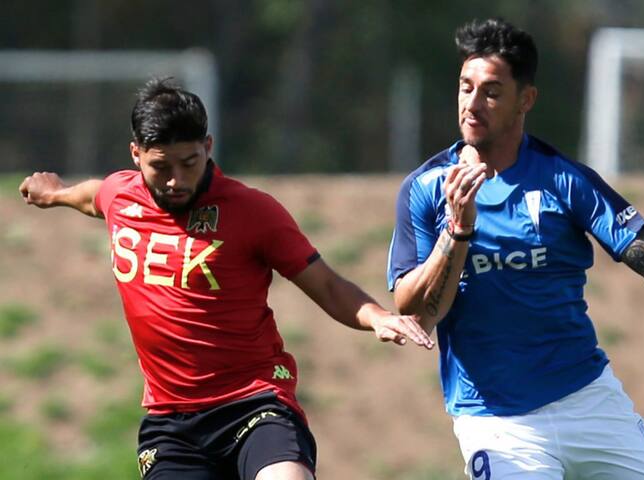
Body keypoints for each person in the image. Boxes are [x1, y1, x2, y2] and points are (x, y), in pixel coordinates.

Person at [387, 18, 644, 479]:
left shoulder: (564, 180)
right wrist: (458, 230)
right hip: (495, 421)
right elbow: (416, 311)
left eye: (491, 92)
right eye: (465, 87)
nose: (472, 104)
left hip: (589, 400)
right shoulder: (427, 189)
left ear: (525, 100)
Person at [19, 78, 433, 480]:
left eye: (189, 163)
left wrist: (376, 316)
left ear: (208, 148)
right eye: (161, 167)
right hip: (173, 422)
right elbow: (93, 195)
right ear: (136, 154)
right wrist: (54, 193)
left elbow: (325, 283)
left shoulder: (253, 212)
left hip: (254, 403)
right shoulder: (121, 195)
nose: (176, 180)